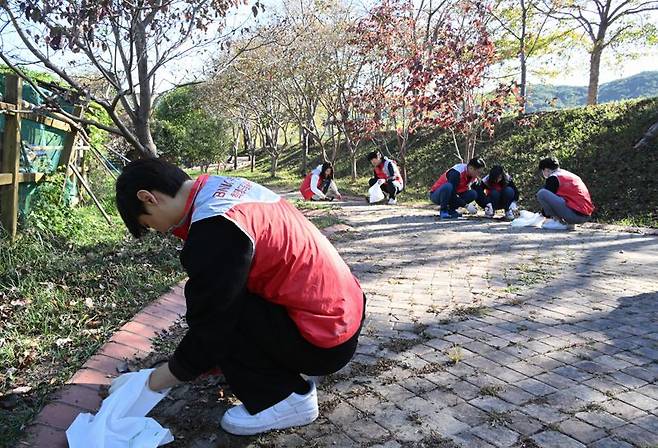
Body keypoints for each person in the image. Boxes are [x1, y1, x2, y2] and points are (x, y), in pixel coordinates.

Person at [115, 158, 365, 435]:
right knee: (219, 297)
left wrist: (154, 381)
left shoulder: (216, 226)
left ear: (148, 198)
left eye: (149, 224)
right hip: (342, 313)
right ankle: (264, 369)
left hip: (324, 340)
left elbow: (212, 325)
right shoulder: (218, 189)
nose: (161, 231)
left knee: (220, 314)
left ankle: (287, 399)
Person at [536, 156, 595, 230]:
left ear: (546, 170)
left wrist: (542, 215)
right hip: (585, 215)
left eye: (542, 171)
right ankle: (570, 224)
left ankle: (557, 222)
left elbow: (548, 200)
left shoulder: (554, 178)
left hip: (574, 215)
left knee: (542, 193)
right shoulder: (568, 174)